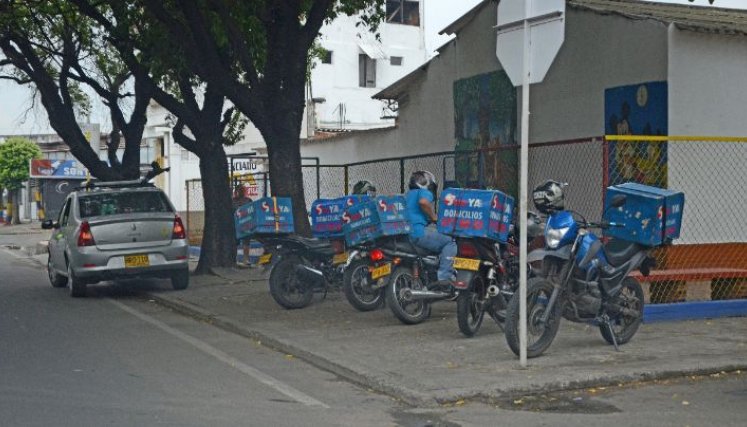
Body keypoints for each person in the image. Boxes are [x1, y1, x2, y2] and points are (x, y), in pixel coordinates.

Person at [405, 170, 456, 285]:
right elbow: (423, 202)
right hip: (417, 232)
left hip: (405, 233)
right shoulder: (424, 192)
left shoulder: (407, 195)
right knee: (450, 242)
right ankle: (444, 277)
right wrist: (434, 217)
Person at [232, 183, 253, 267]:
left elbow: (252, 210)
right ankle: (234, 259)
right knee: (235, 242)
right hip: (236, 224)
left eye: (242, 190)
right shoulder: (233, 201)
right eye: (238, 190)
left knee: (246, 242)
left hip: (245, 223)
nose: (240, 192)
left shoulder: (248, 200)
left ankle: (246, 259)